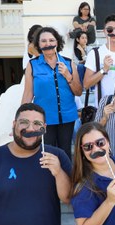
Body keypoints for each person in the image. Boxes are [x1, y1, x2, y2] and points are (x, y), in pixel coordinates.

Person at [22, 27, 82, 159]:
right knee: (47, 153)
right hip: (44, 120)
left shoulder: (68, 63)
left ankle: (66, 179)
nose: (47, 44)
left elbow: (78, 91)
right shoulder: (32, 65)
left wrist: (68, 75)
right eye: (43, 41)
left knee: (65, 153)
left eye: (51, 40)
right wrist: (21, 120)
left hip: (67, 118)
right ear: (38, 44)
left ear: (57, 42)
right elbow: (28, 94)